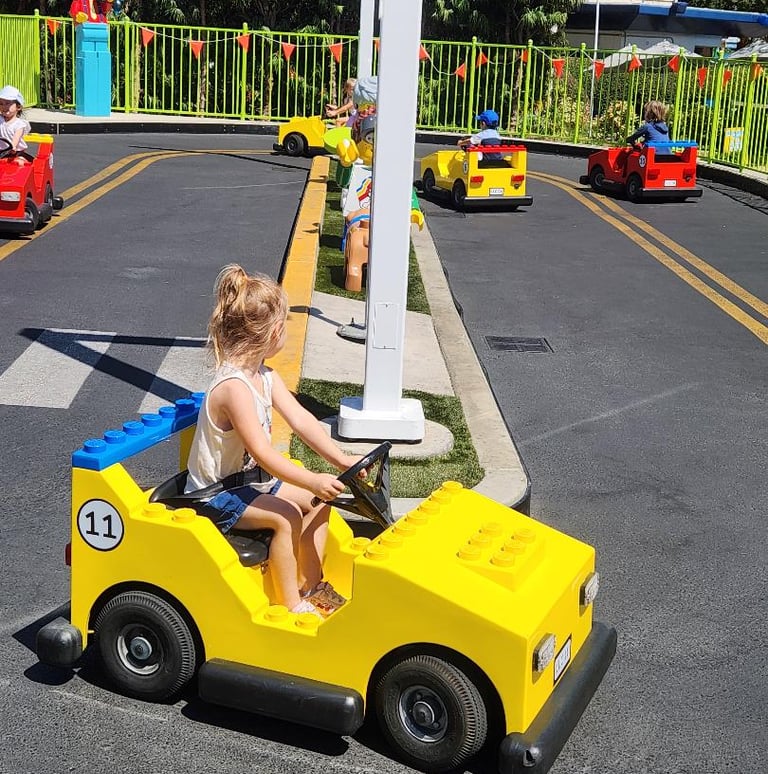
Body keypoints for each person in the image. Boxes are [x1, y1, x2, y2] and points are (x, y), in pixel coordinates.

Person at [187, 265, 365, 618]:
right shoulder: (234, 388)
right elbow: (263, 453)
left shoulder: (265, 376)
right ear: (274, 332)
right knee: (285, 517)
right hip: (214, 494)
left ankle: (311, 586)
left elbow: (302, 421)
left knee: (318, 502)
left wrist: (341, 460)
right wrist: (311, 479)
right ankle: (291, 605)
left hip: (250, 484)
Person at [0, 86, 30, 156]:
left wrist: (13, 146)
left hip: (16, 152)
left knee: (20, 161)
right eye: (1, 103)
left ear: (18, 107)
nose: (3, 106)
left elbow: (16, 137)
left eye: (7, 103)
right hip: (1, 151)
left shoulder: (19, 124)